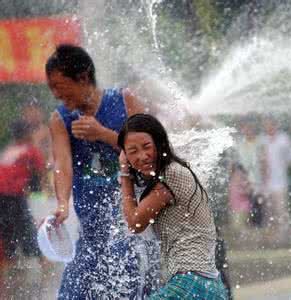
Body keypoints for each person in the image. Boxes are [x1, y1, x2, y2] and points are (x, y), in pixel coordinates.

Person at [45, 44, 160, 298]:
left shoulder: (125, 100)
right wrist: (62, 204)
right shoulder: (60, 119)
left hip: (132, 234)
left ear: (83, 77)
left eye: (59, 85)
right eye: (51, 87)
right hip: (89, 237)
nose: (56, 94)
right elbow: (62, 164)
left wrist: (104, 134)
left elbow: (150, 154)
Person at [118, 113, 228, 299]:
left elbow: (135, 223)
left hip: (191, 283)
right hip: (207, 285)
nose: (142, 156)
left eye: (146, 147)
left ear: (160, 143)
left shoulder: (171, 177)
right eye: (132, 151)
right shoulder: (171, 172)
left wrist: (124, 174)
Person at [0, 121, 46, 273]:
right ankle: (44, 264)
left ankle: (8, 264)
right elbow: (40, 171)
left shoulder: (9, 150)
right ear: (27, 135)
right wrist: (41, 188)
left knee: (6, 228)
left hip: (3, 194)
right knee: (25, 227)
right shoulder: (31, 151)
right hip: (13, 194)